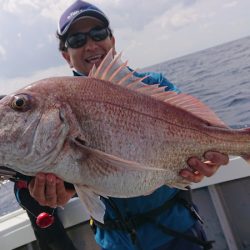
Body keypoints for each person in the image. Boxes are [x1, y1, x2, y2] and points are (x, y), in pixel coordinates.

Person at [28, 1, 229, 249]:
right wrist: (48, 191)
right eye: (77, 40)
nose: (90, 44)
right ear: (65, 55)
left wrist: (211, 160)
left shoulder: (154, 86)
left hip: (179, 233)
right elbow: (29, 170)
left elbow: (205, 132)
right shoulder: (57, 110)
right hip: (115, 242)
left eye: (98, 34)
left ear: (112, 40)